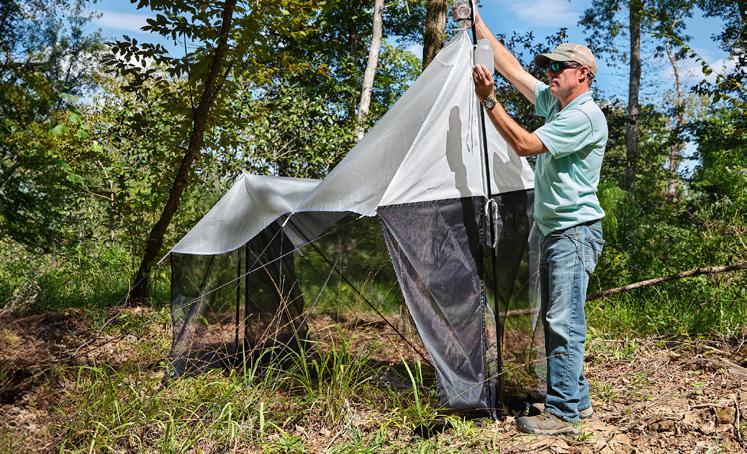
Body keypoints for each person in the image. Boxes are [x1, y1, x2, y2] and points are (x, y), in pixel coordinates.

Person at [469, 6, 608, 435]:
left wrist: (488, 101)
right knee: (556, 318)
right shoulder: (558, 106)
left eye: (558, 68)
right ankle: (576, 400)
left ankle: (563, 414)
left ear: (582, 74)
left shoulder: (582, 116)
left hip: (574, 233)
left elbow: (526, 145)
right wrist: (476, 22)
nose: (549, 74)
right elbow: (512, 70)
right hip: (557, 232)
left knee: (563, 321)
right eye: (548, 68)